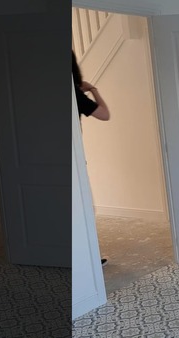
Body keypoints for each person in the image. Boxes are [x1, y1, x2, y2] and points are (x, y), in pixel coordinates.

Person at [73, 51, 110, 267]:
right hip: (74, 159)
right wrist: (93, 89)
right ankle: (87, 259)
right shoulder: (75, 95)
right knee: (84, 208)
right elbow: (104, 114)